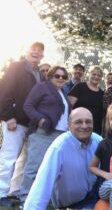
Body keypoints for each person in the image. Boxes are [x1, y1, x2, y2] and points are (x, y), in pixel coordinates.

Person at [24, 107, 102, 210]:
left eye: (88, 122)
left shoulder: (99, 141)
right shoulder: (59, 148)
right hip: (71, 205)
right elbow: (43, 183)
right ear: (69, 125)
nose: (84, 126)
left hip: (95, 198)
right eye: (78, 122)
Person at [19, 66, 71, 206]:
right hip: (43, 134)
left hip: (60, 135)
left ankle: (54, 202)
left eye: (64, 76)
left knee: (56, 169)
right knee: (34, 167)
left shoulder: (62, 93)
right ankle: (25, 200)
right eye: (57, 75)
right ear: (50, 76)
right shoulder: (42, 87)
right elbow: (28, 105)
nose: (61, 78)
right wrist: (41, 120)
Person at [0, 42, 44, 207]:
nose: (36, 52)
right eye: (33, 49)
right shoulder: (16, 67)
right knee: (9, 157)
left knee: (24, 160)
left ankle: (14, 191)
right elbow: (4, 90)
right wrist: (8, 116)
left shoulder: (39, 73)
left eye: (39, 51)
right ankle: (1, 192)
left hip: (31, 124)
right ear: (26, 51)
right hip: (14, 121)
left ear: (42, 56)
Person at [68, 66, 104, 135]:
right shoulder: (79, 87)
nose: (96, 77)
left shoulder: (102, 93)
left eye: (99, 75)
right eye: (94, 74)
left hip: (95, 129)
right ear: (89, 74)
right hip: (78, 126)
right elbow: (69, 106)